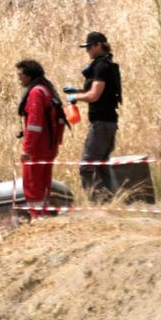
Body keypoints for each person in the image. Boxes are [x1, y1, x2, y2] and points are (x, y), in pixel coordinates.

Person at [64, 31, 122, 202]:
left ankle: (97, 205)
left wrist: (75, 97)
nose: (87, 50)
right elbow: (99, 93)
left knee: (87, 168)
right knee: (102, 167)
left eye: (89, 46)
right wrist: (77, 91)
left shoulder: (102, 66)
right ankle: (112, 203)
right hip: (108, 122)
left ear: (98, 45)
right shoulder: (105, 65)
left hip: (101, 123)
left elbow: (94, 95)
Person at [16, 59, 66, 219]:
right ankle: (43, 213)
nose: (19, 79)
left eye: (21, 75)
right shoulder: (48, 90)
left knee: (32, 183)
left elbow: (34, 124)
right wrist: (56, 143)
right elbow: (60, 120)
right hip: (49, 146)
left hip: (38, 147)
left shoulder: (36, 93)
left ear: (29, 76)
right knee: (44, 182)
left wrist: (27, 149)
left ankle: (37, 216)